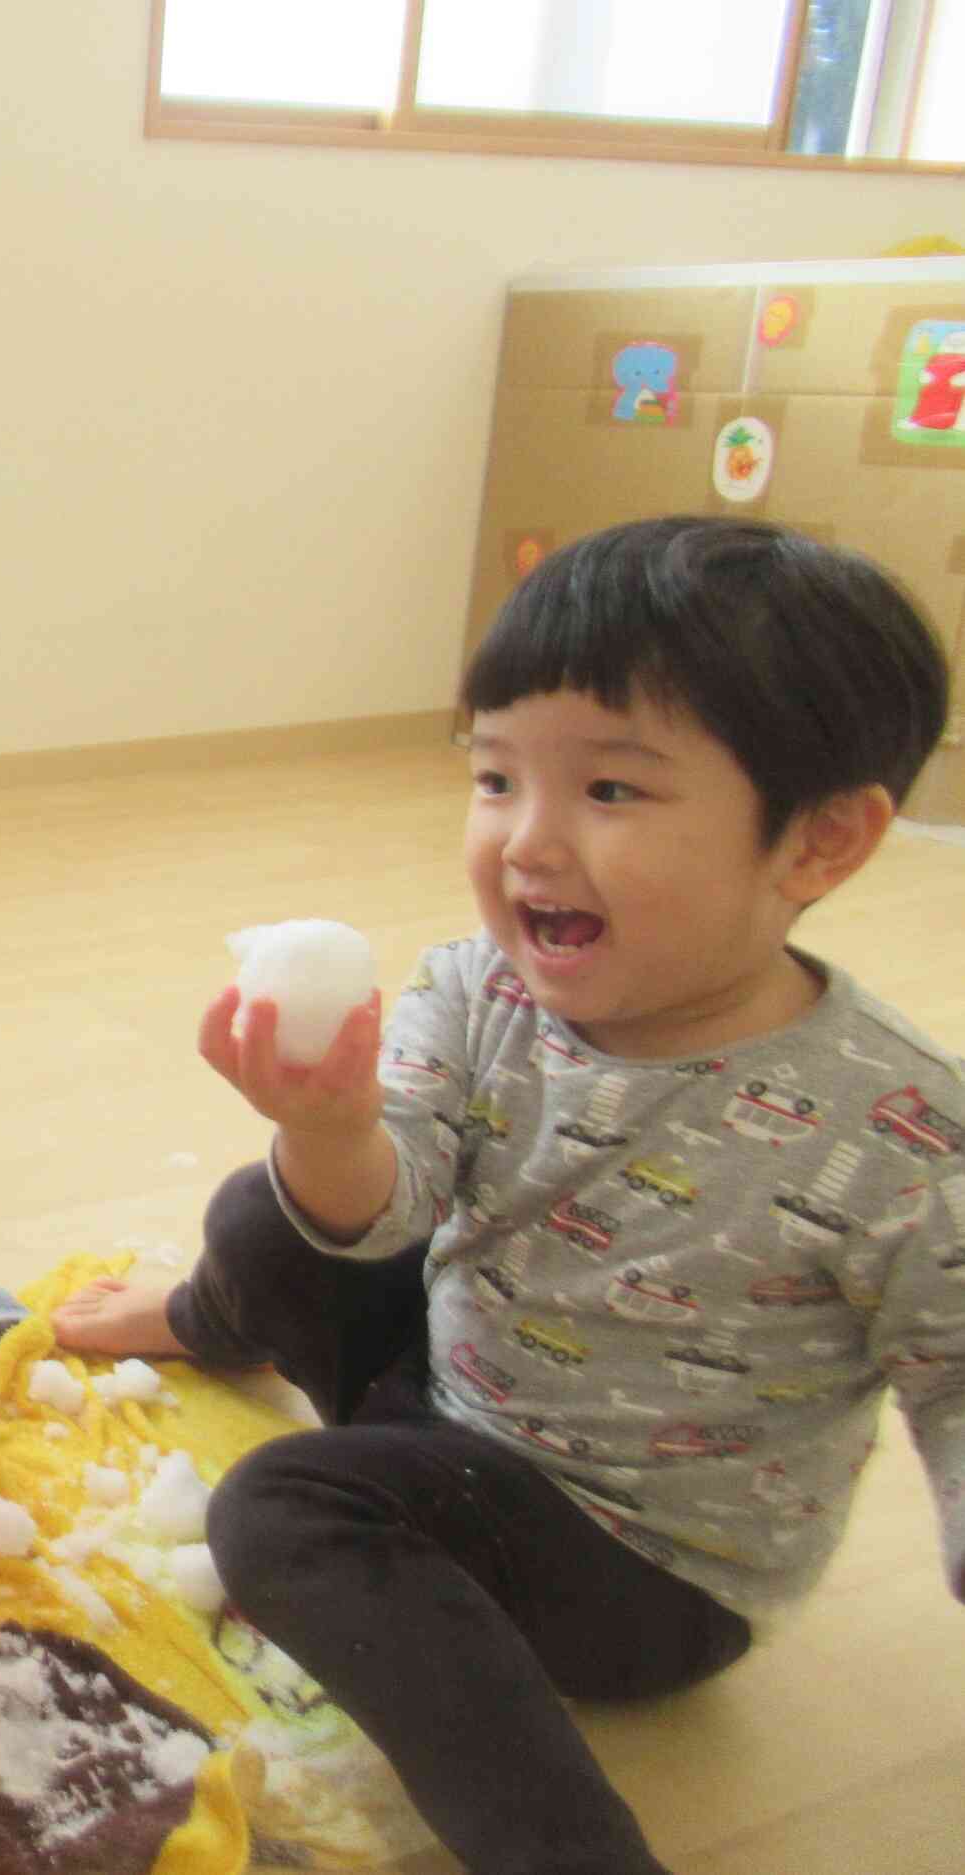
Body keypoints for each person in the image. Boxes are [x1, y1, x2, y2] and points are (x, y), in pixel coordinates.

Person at [54, 517, 963, 1874]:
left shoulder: (893, 1125)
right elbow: (388, 1197)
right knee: (265, 1206)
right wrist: (331, 1124)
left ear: (819, 841)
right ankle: (208, 1315)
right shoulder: (471, 989)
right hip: (450, 1399)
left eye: (611, 791)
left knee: (282, 1507)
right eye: (494, 775)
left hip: (635, 1557)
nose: (526, 843)